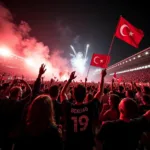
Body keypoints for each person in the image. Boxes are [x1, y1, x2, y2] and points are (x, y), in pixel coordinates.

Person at [61, 69, 106, 150]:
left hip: (71, 144)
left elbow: (62, 94)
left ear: (73, 95)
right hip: (86, 144)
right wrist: (102, 77)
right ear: (85, 95)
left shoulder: (69, 107)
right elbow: (100, 92)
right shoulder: (90, 107)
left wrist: (70, 79)